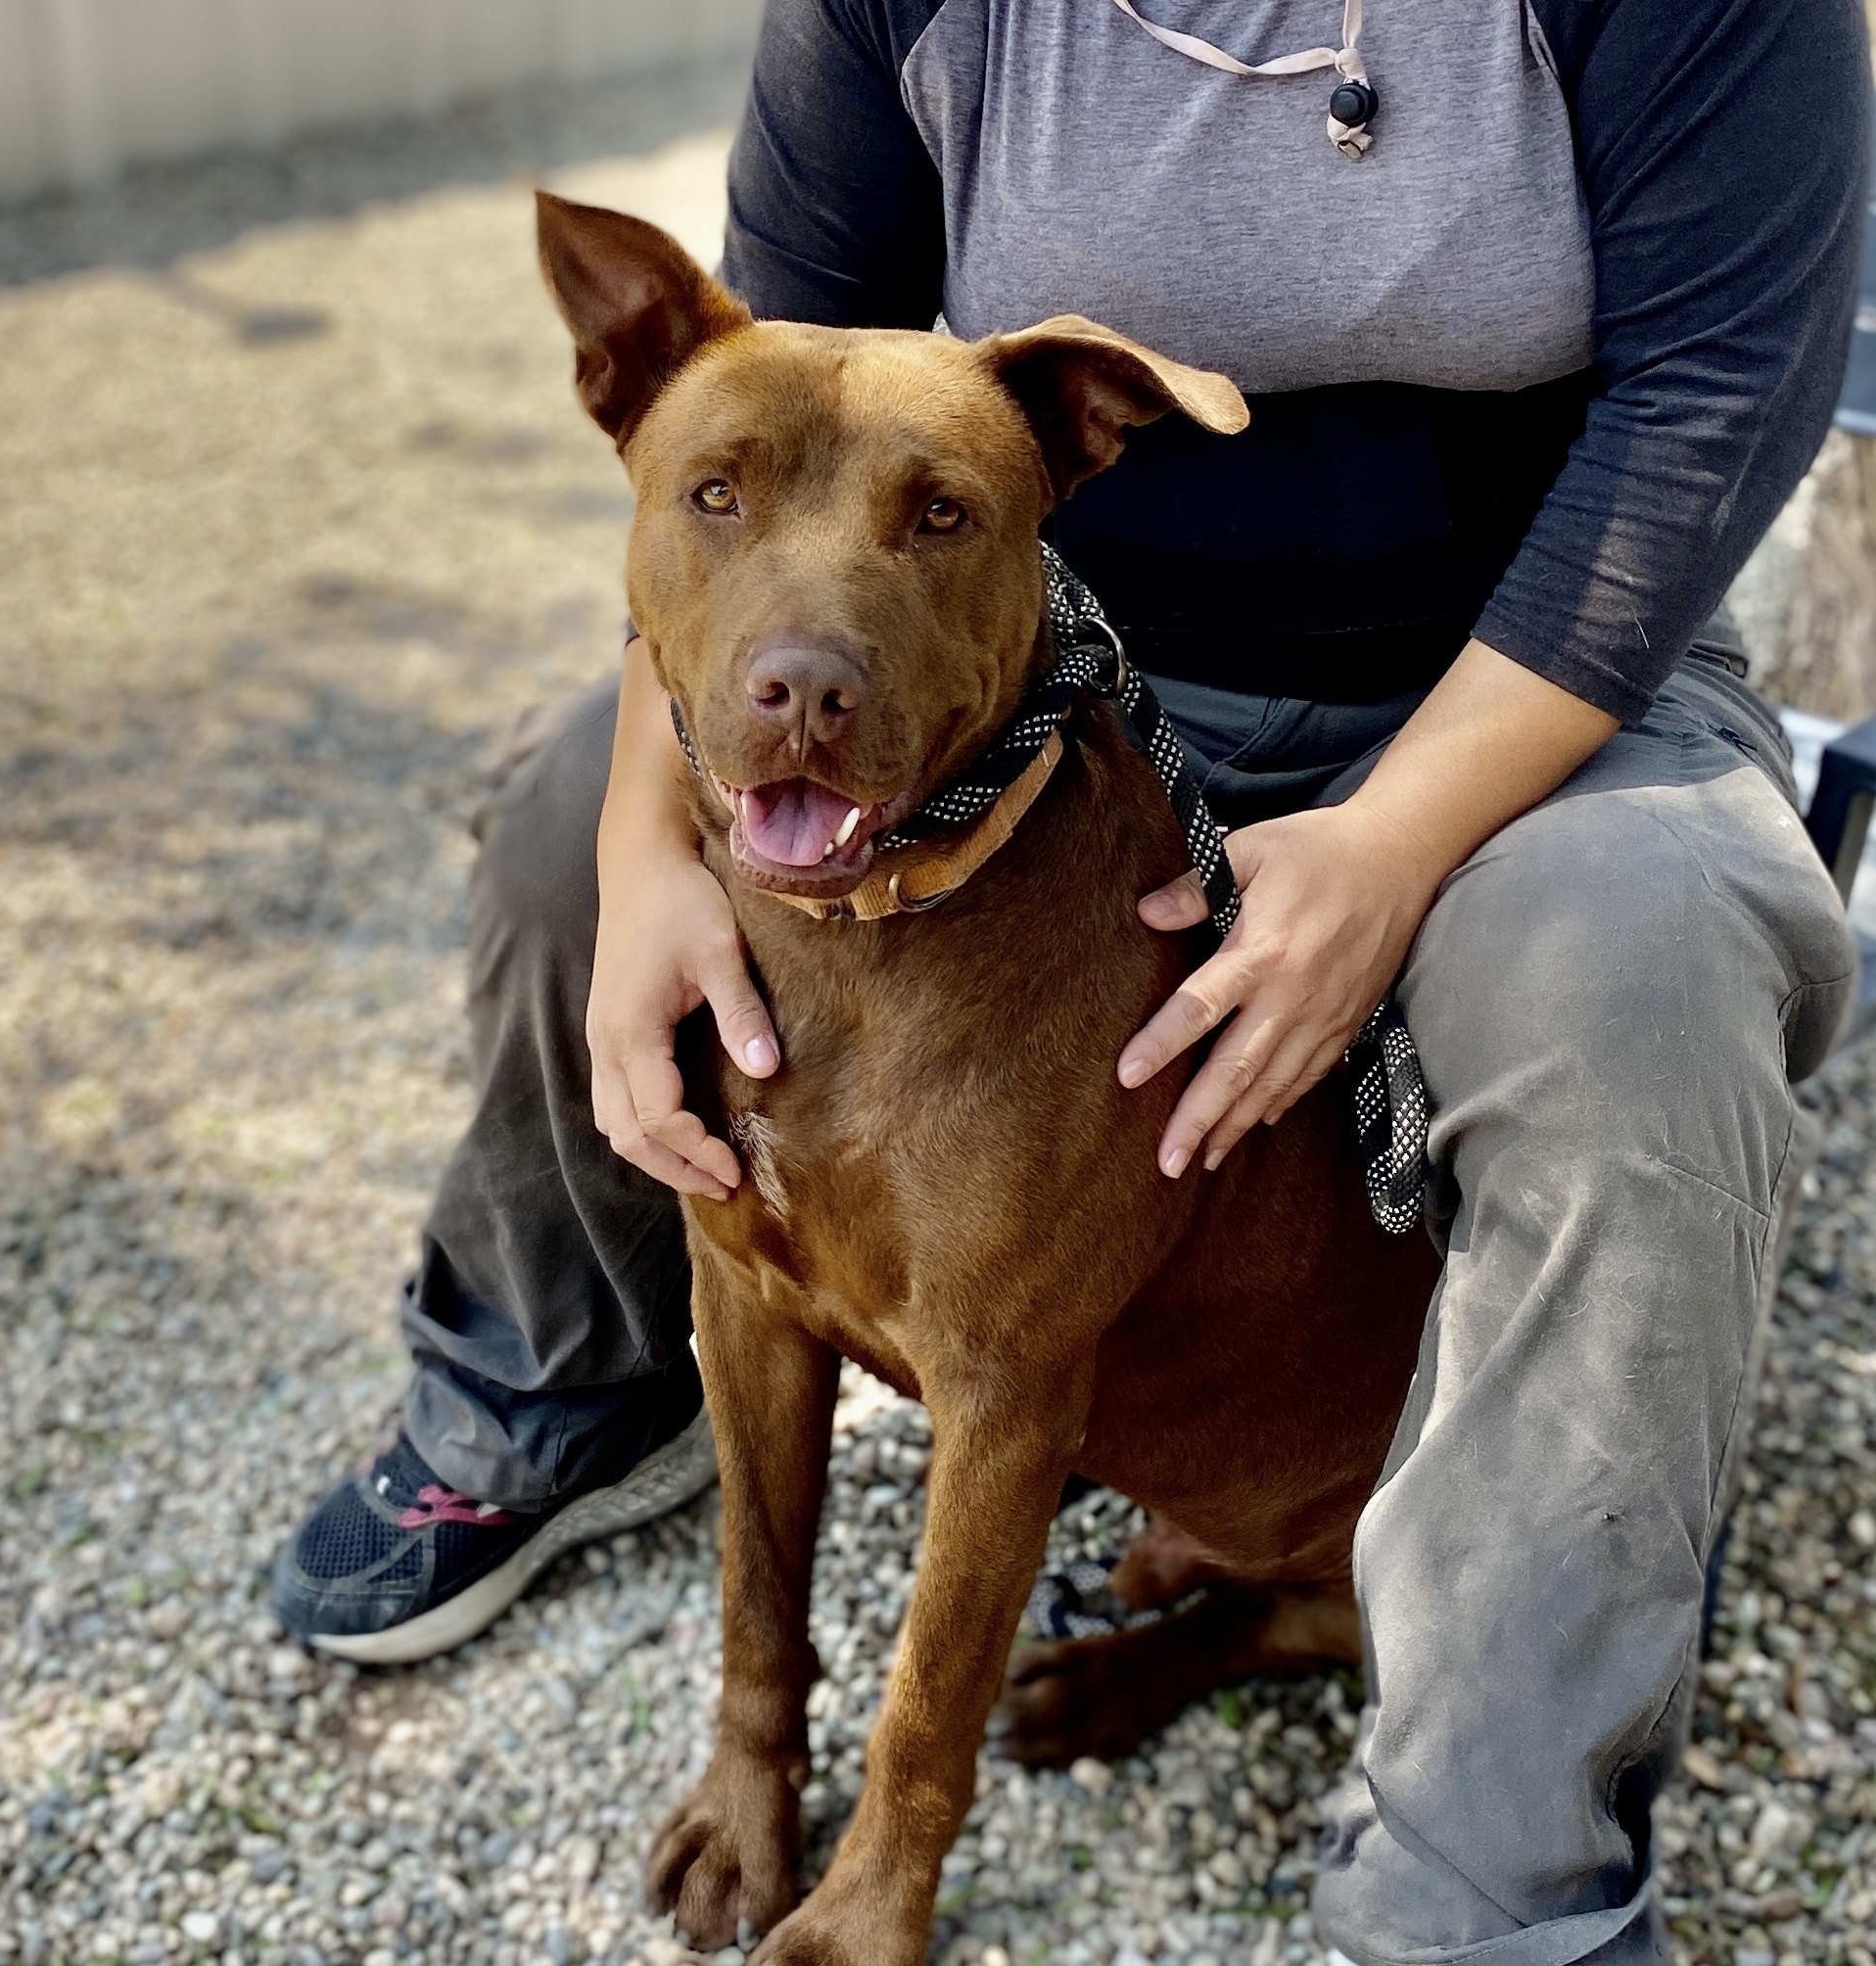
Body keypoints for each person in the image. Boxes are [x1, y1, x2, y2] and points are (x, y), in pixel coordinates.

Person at [272, 0, 1870, 1956]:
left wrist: (1388, 844)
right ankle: (549, 1378)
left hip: (1540, 661)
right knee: (551, 824)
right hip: (1032, 646)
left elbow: (1712, 400)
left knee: (1640, 968)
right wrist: (644, 840)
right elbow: (749, 419)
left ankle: (1496, 1877)